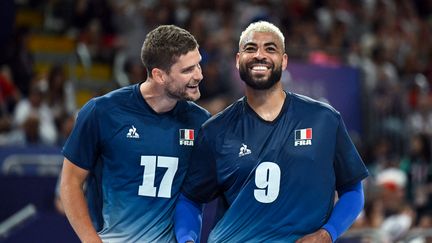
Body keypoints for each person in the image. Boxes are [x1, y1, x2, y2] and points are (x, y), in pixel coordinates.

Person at [175, 21, 369, 243]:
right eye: (250, 49)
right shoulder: (215, 131)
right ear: (238, 61)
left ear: (284, 61)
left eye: (270, 48)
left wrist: (327, 233)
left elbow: (353, 191)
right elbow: (190, 199)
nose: (260, 55)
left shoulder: (324, 119)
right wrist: (186, 239)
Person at [60, 25, 210, 242]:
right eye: (187, 70)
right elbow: (70, 182)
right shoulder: (102, 112)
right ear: (159, 75)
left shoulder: (200, 122)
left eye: (198, 64)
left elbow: (193, 196)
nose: (199, 75)